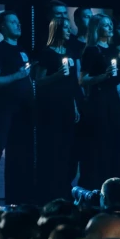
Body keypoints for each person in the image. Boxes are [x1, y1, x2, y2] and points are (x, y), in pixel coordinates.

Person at [0, 11, 34, 205]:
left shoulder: (22, 50)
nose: (18, 24)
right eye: (13, 22)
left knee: (20, 150)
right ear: (3, 27)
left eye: (18, 21)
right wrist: (17, 77)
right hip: (4, 107)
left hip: (23, 108)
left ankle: (19, 193)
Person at [79, 14, 120, 189]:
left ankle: (116, 188)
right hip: (99, 101)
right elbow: (83, 79)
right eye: (106, 25)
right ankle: (97, 188)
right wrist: (103, 76)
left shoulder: (114, 51)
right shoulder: (91, 50)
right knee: (100, 146)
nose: (110, 28)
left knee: (116, 147)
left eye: (111, 25)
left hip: (114, 101)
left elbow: (117, 84)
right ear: (97, 28)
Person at [35, 17, 80, 202]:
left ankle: (64, 189)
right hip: (50, 108)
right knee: (51, 149)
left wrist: (76, 105)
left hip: (67, 107)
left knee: (67, 149)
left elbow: (73, 83)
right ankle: (49, 192)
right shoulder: (46, 54)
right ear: (57, 30)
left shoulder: (70, 52)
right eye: (66, 28)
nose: (69, 31)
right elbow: (38, 81)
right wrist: (56, 75)